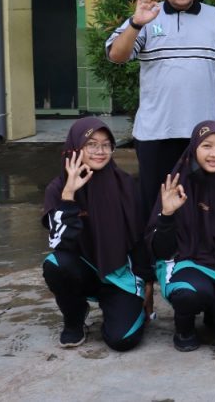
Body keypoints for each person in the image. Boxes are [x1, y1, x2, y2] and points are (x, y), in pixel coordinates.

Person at [106, 0, 215, 221]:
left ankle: (197, 247)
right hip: (155, 131)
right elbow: (116, 55)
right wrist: (136, 23)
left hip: (202, 132)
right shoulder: (147, 16)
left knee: (200, 201)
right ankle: (154, 246)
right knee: (154, 201)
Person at [41, 117, 151, 350]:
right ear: (75, 148)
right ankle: (74, 318)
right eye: (91, 144)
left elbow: (140, 238)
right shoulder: (57, 188)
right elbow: (59, 242)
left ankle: (120, 309)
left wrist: (147, 283)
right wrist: (69, 196)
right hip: (84, 270)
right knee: (56, 264)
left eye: (106, 145)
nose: (100, 151)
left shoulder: (125, 184)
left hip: (119, 275)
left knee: (123, 340)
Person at [147, 121, 215, 354]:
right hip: (184, 264)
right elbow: (161, 250)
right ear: (194, 147)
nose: (214, 154)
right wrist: (167, 215)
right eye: (207, 146)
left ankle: (214, 315)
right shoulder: (176, 184)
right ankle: (184, 328)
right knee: (193, 292)